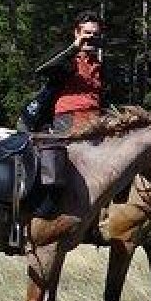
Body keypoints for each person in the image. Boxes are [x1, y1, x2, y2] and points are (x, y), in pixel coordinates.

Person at [24, 11, 109, 216]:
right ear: (77, 33)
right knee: (65, 162)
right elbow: (42, 69)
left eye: (95, 35)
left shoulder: (98, 65)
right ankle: (51, 208)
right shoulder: (67, 58)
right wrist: (74, 47)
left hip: (96, 120)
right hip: (68, 118)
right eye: (87, 33)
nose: (91, 38)